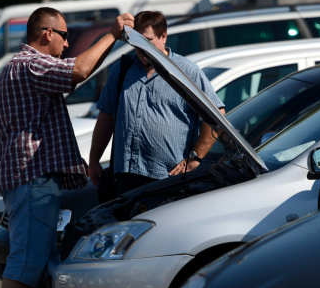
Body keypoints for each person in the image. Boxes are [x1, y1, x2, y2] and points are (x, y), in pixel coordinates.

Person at [0, 7, 134, 288]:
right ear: (46, 35)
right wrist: (113, 34)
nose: (68, 43)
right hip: (31, 179)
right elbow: (81, 70)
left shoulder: (24, 66)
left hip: (30, 178)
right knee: (25, 261)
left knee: (33, 260)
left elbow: (71, 77)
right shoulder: (31, 64)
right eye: (65, 35)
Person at [88, 11, 225, 195]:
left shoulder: (185, 72)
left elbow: (217, 115)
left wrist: (194, 158)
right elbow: (106, 117)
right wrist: (94, 159)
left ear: (163, 37)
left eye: (148, 41)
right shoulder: (122, 69)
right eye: (136, 41)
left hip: (168, 179)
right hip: (127, 177)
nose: (141, 48)